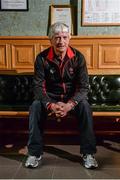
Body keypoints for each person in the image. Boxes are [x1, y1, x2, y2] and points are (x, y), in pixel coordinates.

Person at [25, 22, 98, 169]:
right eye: (57, 37)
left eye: (64, 37)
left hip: (72, 99)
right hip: (50, 98)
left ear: (69, 38)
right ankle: (34, 153)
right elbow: (38, 87)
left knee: (85, 106)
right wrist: (51, 104)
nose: (61, 41)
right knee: (35, 106)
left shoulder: (78, 57)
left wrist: (70, 104)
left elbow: (84, 87)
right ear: (50, 39)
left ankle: (88, 154)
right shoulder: (41, 58)